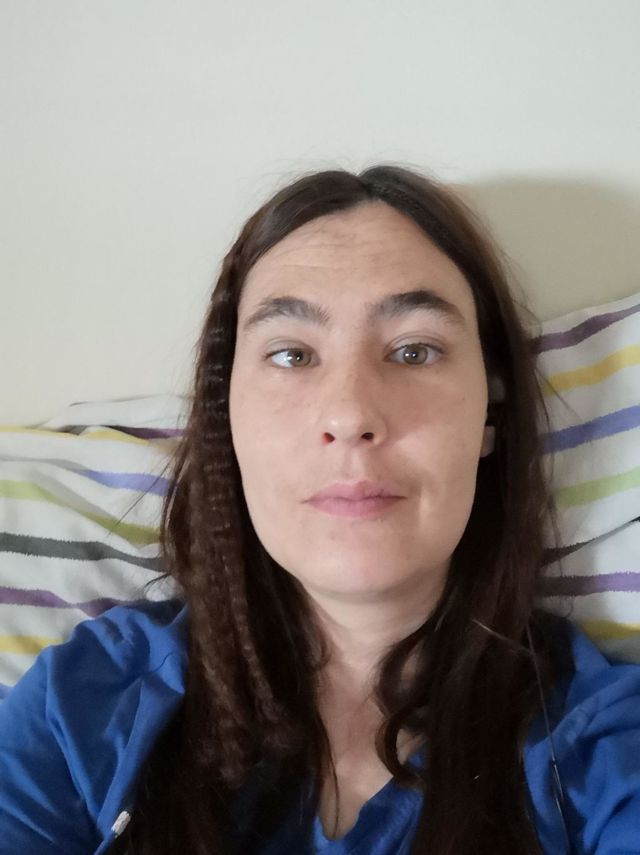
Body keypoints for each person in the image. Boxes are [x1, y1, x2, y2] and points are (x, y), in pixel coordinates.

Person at [1, 165, 639, 855]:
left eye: (414, 350)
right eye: (292, 354)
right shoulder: (83, 708)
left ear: (491, 414)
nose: (350, 413)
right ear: (226, 416)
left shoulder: (602, 744)